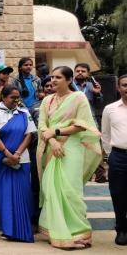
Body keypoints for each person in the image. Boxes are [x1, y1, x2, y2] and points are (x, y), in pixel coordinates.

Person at [36, 66, 102, 250]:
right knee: (52, 191)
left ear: (69, 79)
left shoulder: (78, 97)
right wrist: (52, 141)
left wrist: (56, 132)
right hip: (51, 148)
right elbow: (42, 124)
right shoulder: (47, 101)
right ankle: (58, 233)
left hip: (71, 147)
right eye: (52, 77)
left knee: (70, 191)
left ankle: (78, 232)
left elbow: (82, 125)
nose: (53, 80)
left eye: (58, 77)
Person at [0, 85, 36, 243]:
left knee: (23, 194)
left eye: (18, 97)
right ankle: (8, 230)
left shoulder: (24, 112)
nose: (16, 100)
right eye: (12, 98)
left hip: (22, 158)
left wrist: (17, 154)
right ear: (3, 97)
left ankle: (23, 230)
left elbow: (29, 135)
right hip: (1, 159)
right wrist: (8, 154)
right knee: (5, 196)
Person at [101, 74, 127, 246]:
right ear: (119, 88)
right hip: (118, 156)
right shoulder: (110, 109)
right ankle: (122, 229)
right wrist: (110, 156)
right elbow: (105, 135)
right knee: (118, 194)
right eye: (125, 85)